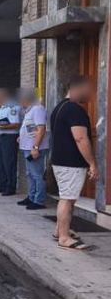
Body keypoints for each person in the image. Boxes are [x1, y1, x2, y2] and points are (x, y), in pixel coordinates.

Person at [50, 76, 98, 251]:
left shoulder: (59, 107)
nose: (90, 94)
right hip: (70, 163)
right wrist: (92, 163)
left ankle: (59, 231)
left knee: (68, 197)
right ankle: (64, 237)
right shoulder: (74, 110)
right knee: (67, 199)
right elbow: (80, 138)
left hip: (60, 161)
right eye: (88, 89)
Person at [18, 89, 50, 210]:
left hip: (35, 148)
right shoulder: (29, 110)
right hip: (28, 147)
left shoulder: (38, 109)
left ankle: (39, 201)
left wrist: (35, 147)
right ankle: (31, 197)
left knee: (37, 175)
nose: (20, 101)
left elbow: (41, 129)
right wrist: (21, 136)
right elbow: (32, 129)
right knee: (30, 174)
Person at [0, 89, 21, 196]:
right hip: (0, 137)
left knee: (9, 163)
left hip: (9, 137)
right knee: (0, 162)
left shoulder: (12, 107)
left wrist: (0, 125)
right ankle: (2, 184)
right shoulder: (2, 107)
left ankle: (10, 187)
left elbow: (16, 124)